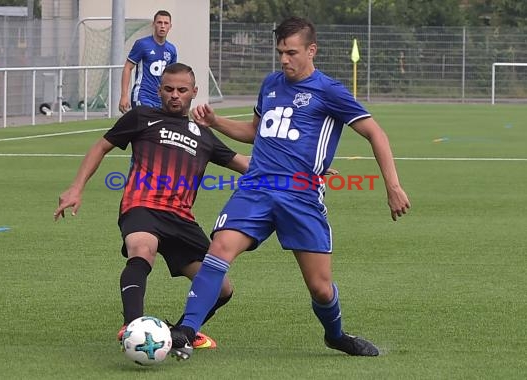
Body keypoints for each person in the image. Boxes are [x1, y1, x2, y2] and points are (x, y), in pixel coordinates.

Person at [169, 16, 411, 360]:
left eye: (292, 52)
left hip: (301, 195)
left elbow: (376, 134)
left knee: (320, 287)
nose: (284, 59)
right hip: (257, 186)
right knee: (220, 248)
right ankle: (187, 330)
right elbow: (255, 131)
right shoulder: (270, 84)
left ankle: (336, 335)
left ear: (311, 50)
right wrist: (216, 122)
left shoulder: (329, 91)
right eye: (280, 52)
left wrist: (393, 186)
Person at [54, 63, 250, 350]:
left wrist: (303, 173)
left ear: (193, 92)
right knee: (142, 250)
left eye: (182, 90)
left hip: (181, 218)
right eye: (168, 89)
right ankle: (133, 327)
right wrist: (76, 187)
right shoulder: (142, 117)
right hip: (142, 205)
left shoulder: (203, 134)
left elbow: (245, 164)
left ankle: (182, 333)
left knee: (221, 288)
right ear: (159, 90)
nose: (174, 95)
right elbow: (101, 146)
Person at [118, 10, 177, 114]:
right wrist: (124, 95)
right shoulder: (142, 44)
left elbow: (171, 77)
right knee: (146, 126)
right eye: (159, 22)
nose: (162, 26)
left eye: (166, 23)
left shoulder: (171, 49)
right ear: (153, 24)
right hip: (143, 96)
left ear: (170, 26)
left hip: (161, 99)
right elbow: (128, 67)